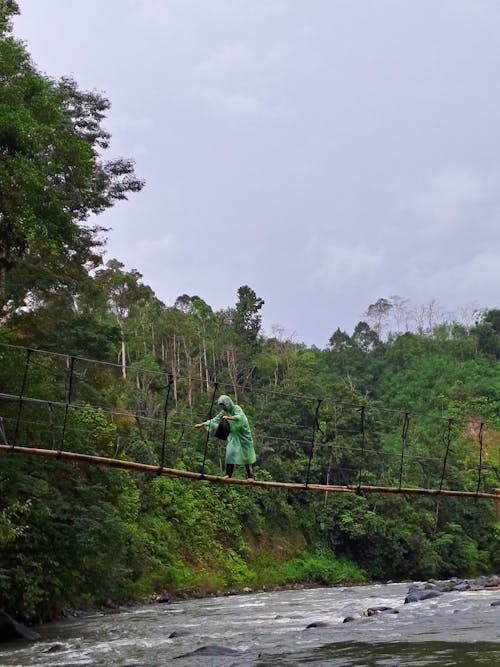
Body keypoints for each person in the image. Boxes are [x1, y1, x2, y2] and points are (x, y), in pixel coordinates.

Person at [194, 394, 256, 481]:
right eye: (222, 407)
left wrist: (229, 418)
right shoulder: (224, 412)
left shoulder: (236, 408)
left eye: (224, 406)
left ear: (228, 404)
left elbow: (240, 418)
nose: (224, 409)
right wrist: (202, 424)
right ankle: (228, 474)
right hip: (234, 435)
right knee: (230, 452)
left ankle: (251, 476)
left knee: (248, 456)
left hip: (244, 435)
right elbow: (215, 420)